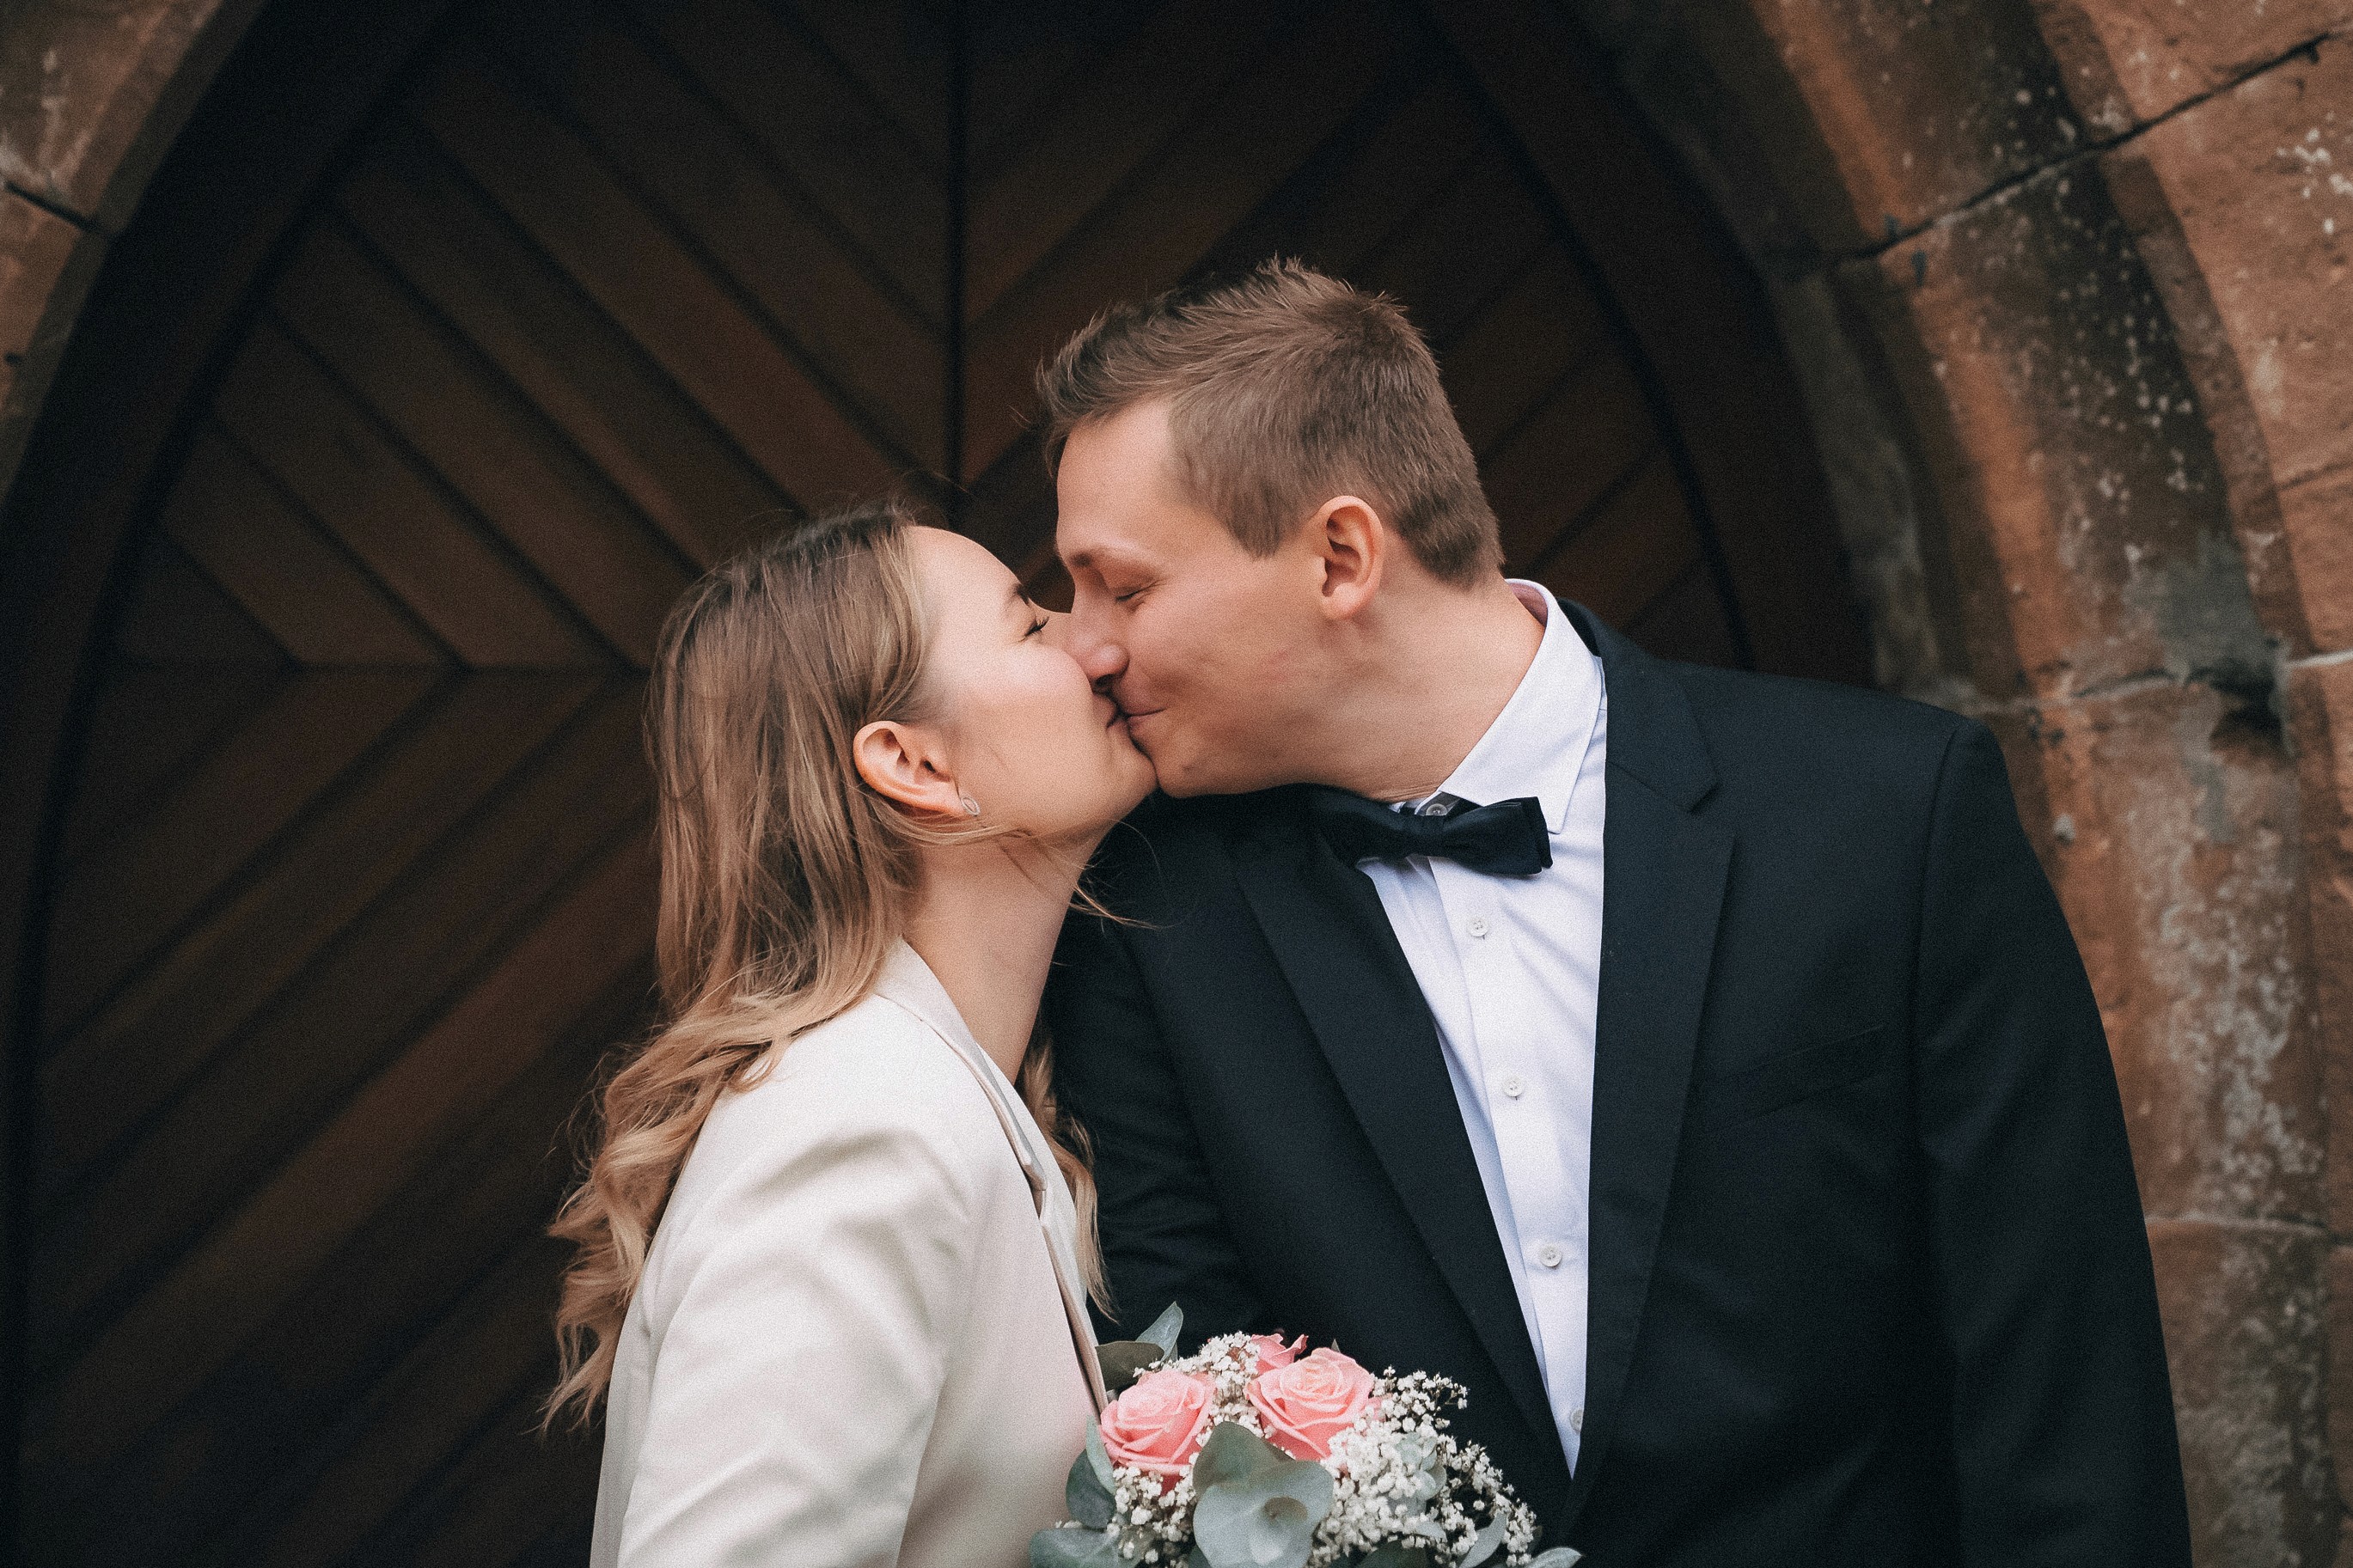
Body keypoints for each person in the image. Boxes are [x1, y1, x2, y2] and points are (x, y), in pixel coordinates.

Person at [1041, 261, 2194, 1565]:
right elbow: (1191, 1395)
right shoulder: (1149, 917)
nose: (1086, 645)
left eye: (1122, 587)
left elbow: (2064, 1389)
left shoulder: (1888, 815)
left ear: (1340, 557)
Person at [546, 500, 1154, 1566]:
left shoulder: (946, 1095)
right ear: (916, 766)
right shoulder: (862, 1124)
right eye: (1030, 624)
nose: (1095, 643)